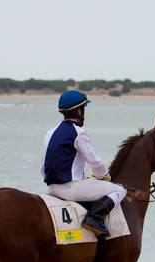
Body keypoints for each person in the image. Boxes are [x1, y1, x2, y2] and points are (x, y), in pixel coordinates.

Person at [39, 89, 127, 237]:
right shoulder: (79, 132)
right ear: (79, 111)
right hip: (70, 188)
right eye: (84, 109)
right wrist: (104, 176)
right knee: (120, 190)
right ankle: (94, 218)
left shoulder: (50, 132)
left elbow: (43, 167)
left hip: (52, 188)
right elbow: (95, 162)